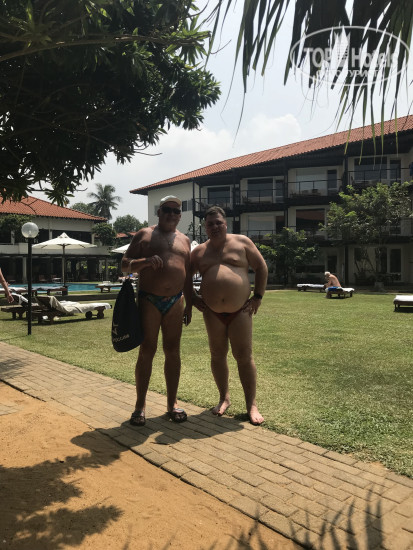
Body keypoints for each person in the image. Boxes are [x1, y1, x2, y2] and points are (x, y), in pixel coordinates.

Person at [191, 206, 268, 426]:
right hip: (212, 312)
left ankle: (251, 404)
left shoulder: (242, 243)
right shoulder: (199, 252)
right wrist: (192, 298)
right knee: (217, 354)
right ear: (205, 227)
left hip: (240, 310)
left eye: (218, 223)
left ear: (226, 224)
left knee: (243, 355)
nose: (215, 227)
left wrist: (258, 296)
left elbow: (261, 267)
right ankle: (224, 398)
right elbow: (185, 276)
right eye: (210, 224)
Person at [121, 196, 192, 426]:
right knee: (147, 351)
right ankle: (140, 406)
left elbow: (187, 275)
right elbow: (124, 265)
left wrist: (190, 303)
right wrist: (145, 261)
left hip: (176, 301)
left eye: (176, 211)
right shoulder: (144, 235)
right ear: (159, 212)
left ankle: (172, 404)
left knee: (173, 351)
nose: (172, 214)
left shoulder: (185, 240)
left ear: (180, 216)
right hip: (149, 299)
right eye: (167, 209)